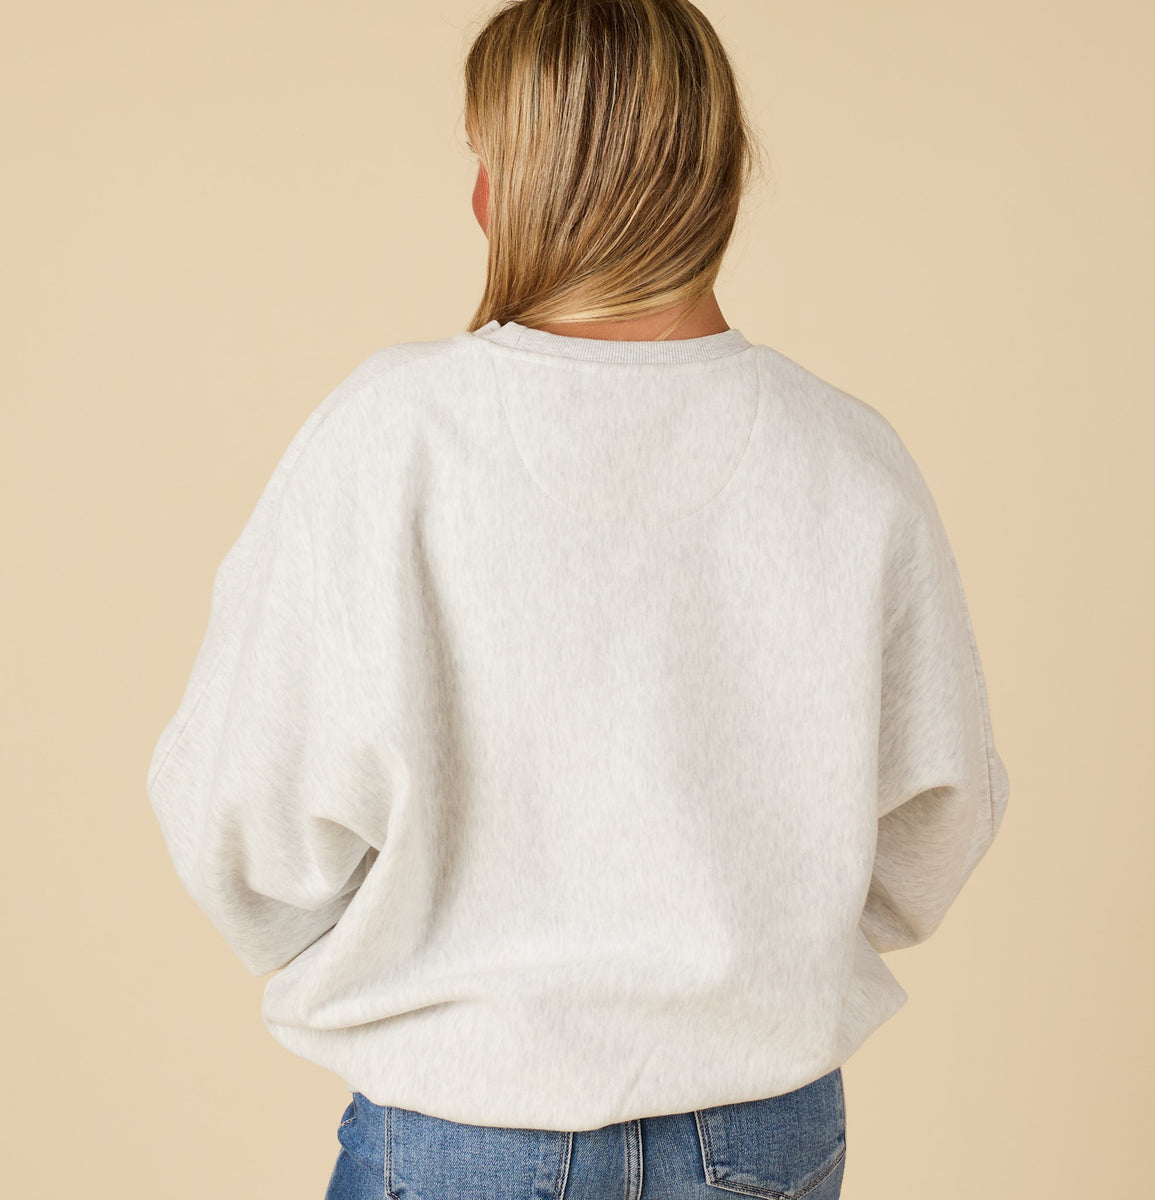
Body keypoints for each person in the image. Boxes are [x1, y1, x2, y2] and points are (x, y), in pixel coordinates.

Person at [145, 2, 1010, 1197]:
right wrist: (749, 938)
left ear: (544, 181)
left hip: (464, 1127)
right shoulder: (847, 461)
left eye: (486, 161)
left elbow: (244, 823)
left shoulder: (393, 439)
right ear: (714, 170)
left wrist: (417, 947)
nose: (476, 201)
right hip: (763, 1134)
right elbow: (933, 829)